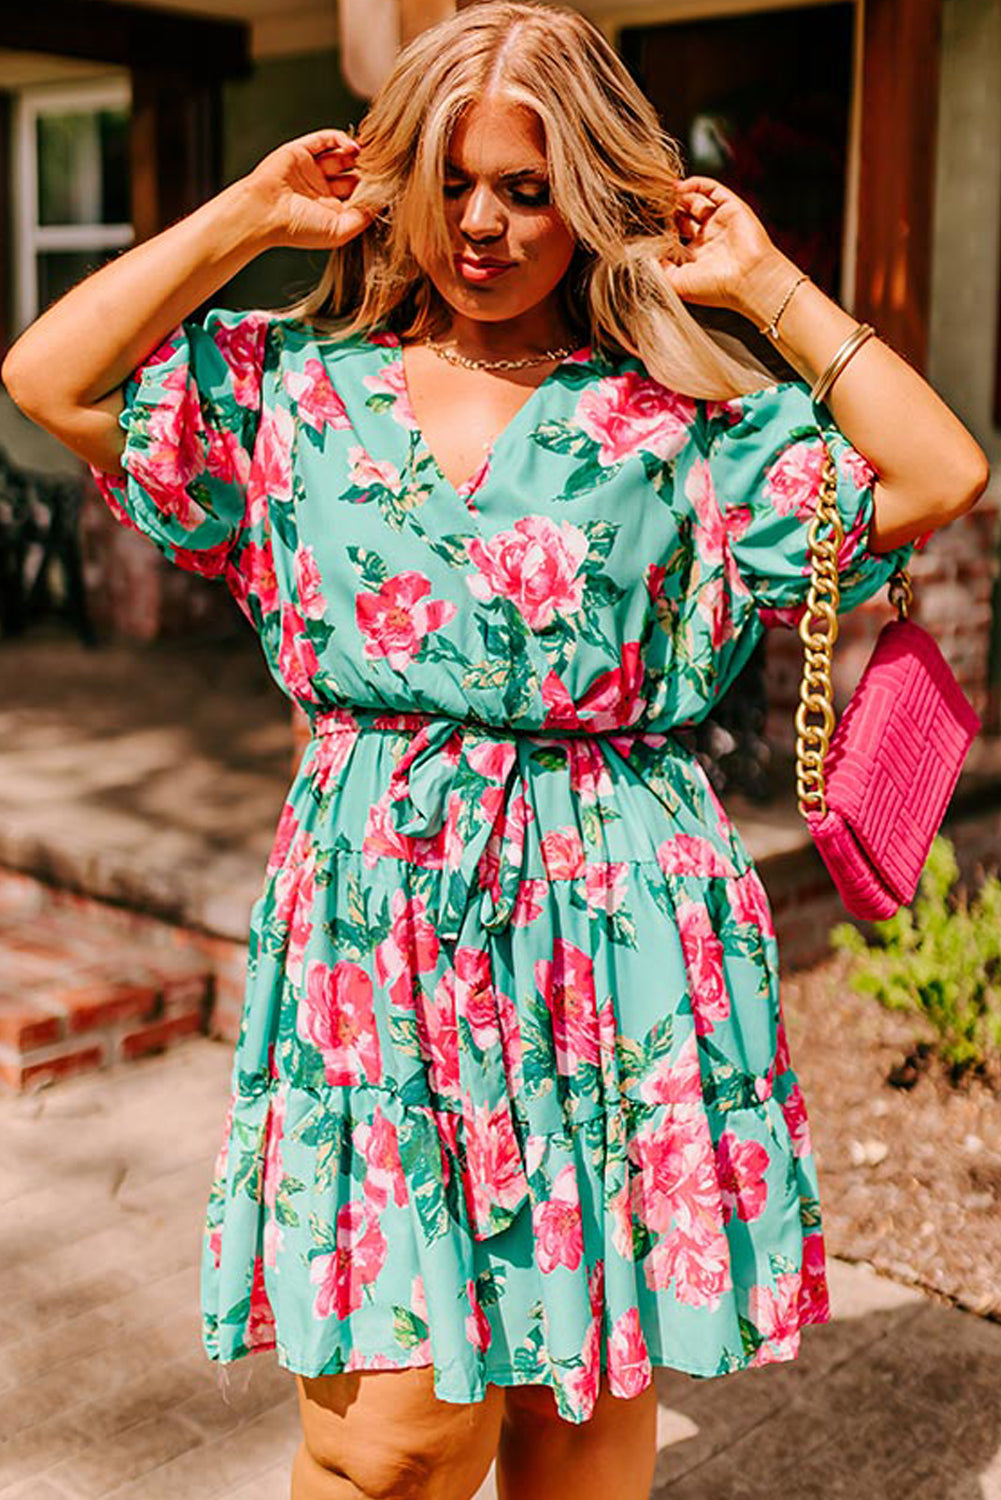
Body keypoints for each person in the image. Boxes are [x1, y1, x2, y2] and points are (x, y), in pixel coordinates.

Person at [2, 3, 989, 1496]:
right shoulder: (293, 391)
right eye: (451, 178)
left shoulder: (683, 426)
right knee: (390, 1444)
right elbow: (48, 379)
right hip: (376, 929)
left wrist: (762, 281)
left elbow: (939, 470)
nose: (480, 222)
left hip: (617, 933)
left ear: (587, 197)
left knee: (571, 1412)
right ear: (398, 181)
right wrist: (251, 213)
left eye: (528, 188)